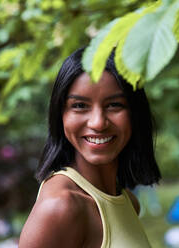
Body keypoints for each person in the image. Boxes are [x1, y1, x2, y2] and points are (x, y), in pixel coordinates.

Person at [19, 48, 161, 248]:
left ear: (135, 114)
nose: (98, 122)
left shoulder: (127, 201)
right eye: (79, 106)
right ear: (60, 116)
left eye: (114, 105)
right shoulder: (61, 206)